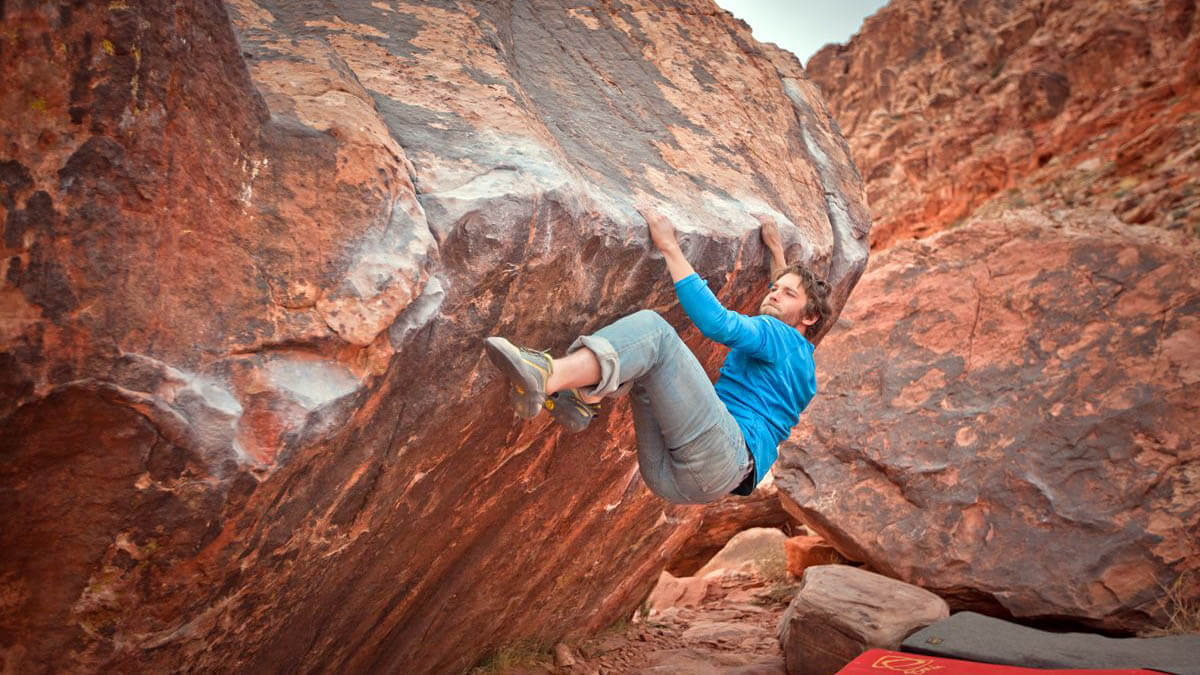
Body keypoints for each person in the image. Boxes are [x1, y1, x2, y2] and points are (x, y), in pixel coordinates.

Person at [483, 206, 831, 504]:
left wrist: (670, 248)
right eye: (774, 289)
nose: (772, 295)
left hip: (722, 454)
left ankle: (545, 375)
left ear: (810, 317)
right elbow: (787, 304)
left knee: (654, 334)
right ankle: (577, 398)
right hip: (686, 480)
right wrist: (776, 253)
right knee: (642, 365)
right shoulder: (801, 364)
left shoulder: (780, 336)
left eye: (785, 294)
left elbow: (719, 324)